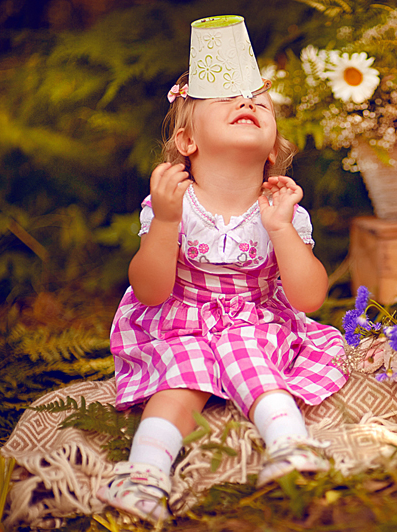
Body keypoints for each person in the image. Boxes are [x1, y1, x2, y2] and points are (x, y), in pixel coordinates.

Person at [96, 66, 348, 522]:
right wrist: (166, 222)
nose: (247, 103)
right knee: (178, 378)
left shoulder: (282, 211)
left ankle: (292, 445)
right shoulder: (172, 206)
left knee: (247, 351)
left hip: (255, 320)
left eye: (260, 103)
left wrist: (281, 230)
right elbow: (150, 291)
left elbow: (309, 299)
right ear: (188, 140)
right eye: (226, 100)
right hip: (180, 322)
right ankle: (145, 474)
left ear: (272, 148)